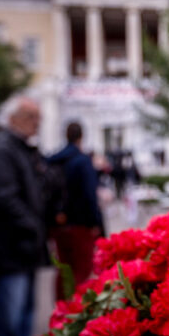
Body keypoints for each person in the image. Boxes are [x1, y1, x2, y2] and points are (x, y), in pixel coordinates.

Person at [0, 97, 48, 336]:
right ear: (13, 118)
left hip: (21, 249)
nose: (37, 123)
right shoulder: (2, 148)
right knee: (10, 322)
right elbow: (3, 199)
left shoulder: (17, 147)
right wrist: (31, 226)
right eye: (32, 117)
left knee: (20, 320)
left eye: (38, 118)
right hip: (10, 249)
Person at [47, 122, 105, 300]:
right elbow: (90, 195)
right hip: (80, 224)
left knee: (64, 268)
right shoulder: (82, 160)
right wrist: (97, 223)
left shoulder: (52, 160)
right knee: (82, 270)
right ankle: (78, 310)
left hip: (58, 223)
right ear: (81, 136)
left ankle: (61, 310)